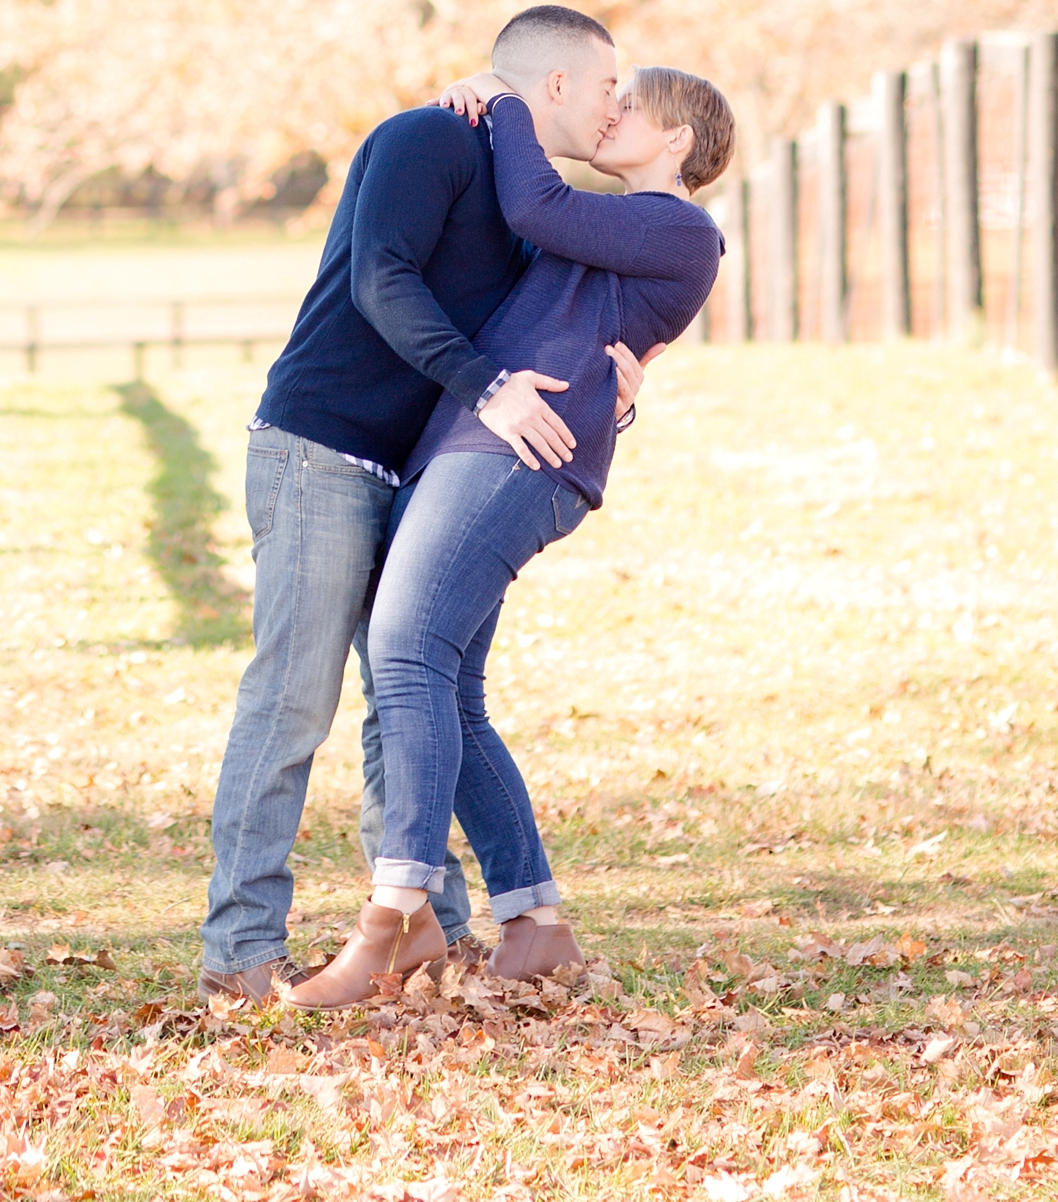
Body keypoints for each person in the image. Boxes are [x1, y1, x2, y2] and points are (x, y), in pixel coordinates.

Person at [199, 3, 635, 1004]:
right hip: (321, 447)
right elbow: (377, 280)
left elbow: (565, 317)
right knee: (293, 697)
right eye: (609, 86)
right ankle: (240, 949)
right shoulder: (426, 137)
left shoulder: (536, 206)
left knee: (410, 689)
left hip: (419, 470)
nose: (617, 107)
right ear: (555, 85)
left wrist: (625, 368)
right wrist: (486, 387)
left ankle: (423, 932)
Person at [283, 63, 733, 1009]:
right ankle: (534, 924)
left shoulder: (683, 228)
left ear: (678, 139)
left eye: (629, 103)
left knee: (406, 651)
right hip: (472, 441)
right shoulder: (608, 223)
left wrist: (507, 101)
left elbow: (530, 205)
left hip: (524, 455)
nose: (609, 112)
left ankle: (389, 924)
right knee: (448, 684)